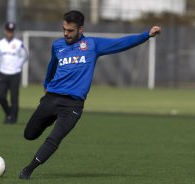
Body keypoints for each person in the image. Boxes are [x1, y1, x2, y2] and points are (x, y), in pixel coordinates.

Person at [19, 10, 161, 179]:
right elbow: (52, 66)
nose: (66, 33)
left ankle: (28, 170)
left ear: (81, 29)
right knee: (29, 135)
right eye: (64, 29)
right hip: (51, 98)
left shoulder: (93, 45)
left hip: (73, 105)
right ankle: (51, 117)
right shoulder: (58, 45)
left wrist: (147, 35)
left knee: (54, 139)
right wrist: (46, 84)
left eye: (70, 30)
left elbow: (121, 43)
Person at [0, 22, 28, 124]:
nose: (10, 33)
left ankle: (13, 119)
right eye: (8, 31)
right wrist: (3, 65)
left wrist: (18, 65)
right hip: (3, 72)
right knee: (0, 96)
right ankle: (9, 112)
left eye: (12, 31)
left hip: (15, 73)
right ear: (5, 31)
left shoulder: (19, 44)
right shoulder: (0, 44)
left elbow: (25, 56)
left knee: (14, 97)